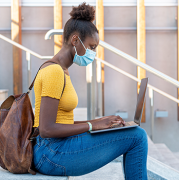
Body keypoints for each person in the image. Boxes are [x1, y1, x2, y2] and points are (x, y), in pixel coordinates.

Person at [32, 2, 148, 179]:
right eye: (92, 47)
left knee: (135, 135)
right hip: (50, 153)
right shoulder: (54, 71)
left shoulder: (61, 70)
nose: (94, 53)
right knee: (137, 137)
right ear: (75, 40)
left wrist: (101, 121)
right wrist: (92, 126)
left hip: (55, 148)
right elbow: (46, 129)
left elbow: (61, 122)